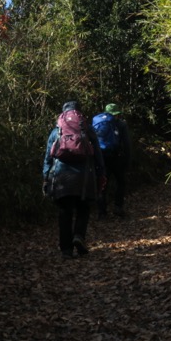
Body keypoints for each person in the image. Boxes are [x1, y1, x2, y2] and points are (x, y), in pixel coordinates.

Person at [43, 100, 106, 259]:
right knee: (83, 208)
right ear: (80, 113)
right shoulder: (88, 129)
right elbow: (98, 154)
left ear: (63, 114)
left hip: (62, 176)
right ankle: (78, 235)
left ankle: (66, 250)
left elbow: (48, 158)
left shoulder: (56, 131)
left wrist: (45, 177)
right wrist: (101, 174)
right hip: (85, 176)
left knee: (65, 212)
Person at [92, 103, 131, 218]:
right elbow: (127, 145)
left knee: (103, 184)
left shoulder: (97, 123)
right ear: (117, 114)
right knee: (121, 182)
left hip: (101, 158)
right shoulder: (121, 124)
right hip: (116, 158)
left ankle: (102, 212)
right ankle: (118, 207)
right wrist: (128, 161)